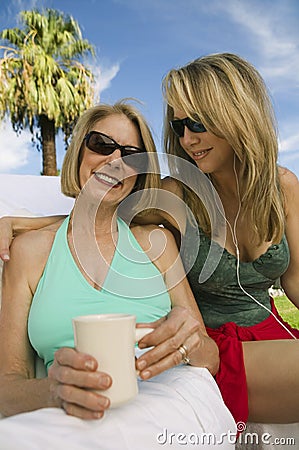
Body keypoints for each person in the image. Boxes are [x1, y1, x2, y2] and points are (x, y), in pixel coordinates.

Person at [1, 53, 299, 426]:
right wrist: (29, 225)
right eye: (178, 127)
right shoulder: (178, 196)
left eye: (197, 123)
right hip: (213, 340)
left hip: (265, 330)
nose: (187, 139)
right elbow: (103, 212)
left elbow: (295, 280)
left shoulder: (282, 187)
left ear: (234, 115)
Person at [0, 101, 235, 449]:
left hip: (169, 402)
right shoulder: (30, 252)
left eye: (131, 154)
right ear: (78, 151)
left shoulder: (157, 243)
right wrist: (55, 389)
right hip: (71, 419)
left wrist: (190, 342)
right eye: (101, 145)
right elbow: (6, 387)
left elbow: (210, 358)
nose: (115, 161)